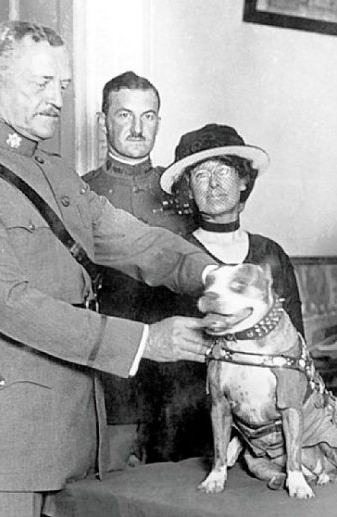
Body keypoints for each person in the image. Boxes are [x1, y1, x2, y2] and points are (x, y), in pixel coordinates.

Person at [0, 21, 216, 517]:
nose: (56, 98)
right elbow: (11, 304)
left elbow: (133, 238)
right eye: (40, 83)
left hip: (70, 419)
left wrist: (213, 275)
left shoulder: (56, 171)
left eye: (64, 85)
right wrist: (145, 342)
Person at [158, 123, 305, 459]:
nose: (213, 183)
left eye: (223, 170)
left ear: (242, 181)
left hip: (267, 436)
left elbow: (297, 350)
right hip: (192, 430)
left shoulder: (271, 255)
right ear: (188, 188)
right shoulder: (172, 255)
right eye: (200, 174)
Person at [83, 71, 196, 467]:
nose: (136, 128)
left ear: (159, 123)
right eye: (124, 115)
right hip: (111, 377)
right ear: (103, 122)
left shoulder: (184, 194)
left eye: (147, 117)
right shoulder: (79, 194)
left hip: (179, 379)